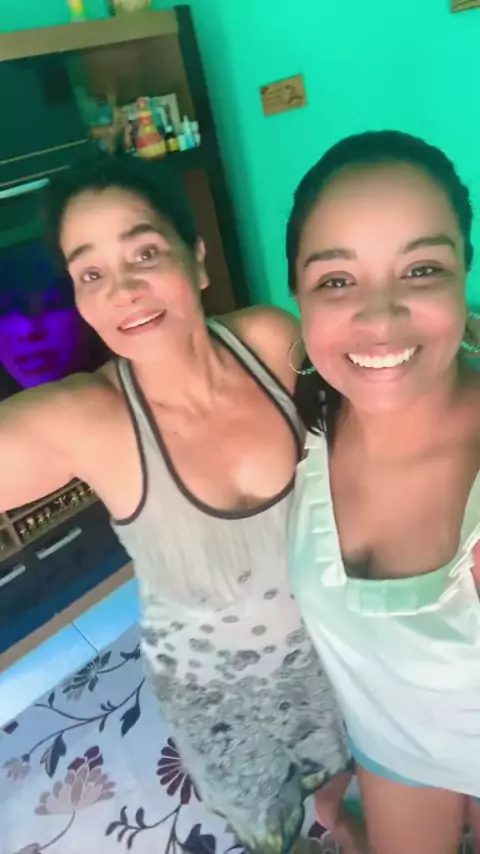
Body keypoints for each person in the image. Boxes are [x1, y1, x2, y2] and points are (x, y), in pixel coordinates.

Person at [0, 155, 363, 854]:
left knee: (344, 775)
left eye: (144, 252)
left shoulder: (269, 341)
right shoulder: (94, 417)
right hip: (219, 695)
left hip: (331, 646)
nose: (123, 290)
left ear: (196, 259)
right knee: (270, 827)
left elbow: (370, 428)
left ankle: (340, 822)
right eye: (91, 274)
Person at [287, 130, 480, 854]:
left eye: (421, 269)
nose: (379, 318)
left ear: (464, 273)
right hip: (390, 746)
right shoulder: (299, 415)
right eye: (337, 281)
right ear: (297, 297)